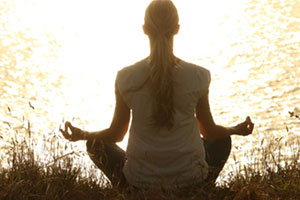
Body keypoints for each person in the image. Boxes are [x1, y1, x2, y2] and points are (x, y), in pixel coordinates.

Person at [60, 0, 254, 191]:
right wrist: (234, 130)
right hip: (191, 179)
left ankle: (129, 191)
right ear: (177, 29)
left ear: (144, 29)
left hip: (139, 182)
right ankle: (198, 189)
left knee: (95, 144)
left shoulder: (126, 77)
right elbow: (209, 132)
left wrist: (82, 135)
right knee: (222, 139)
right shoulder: (198, 76)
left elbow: (117, 134)